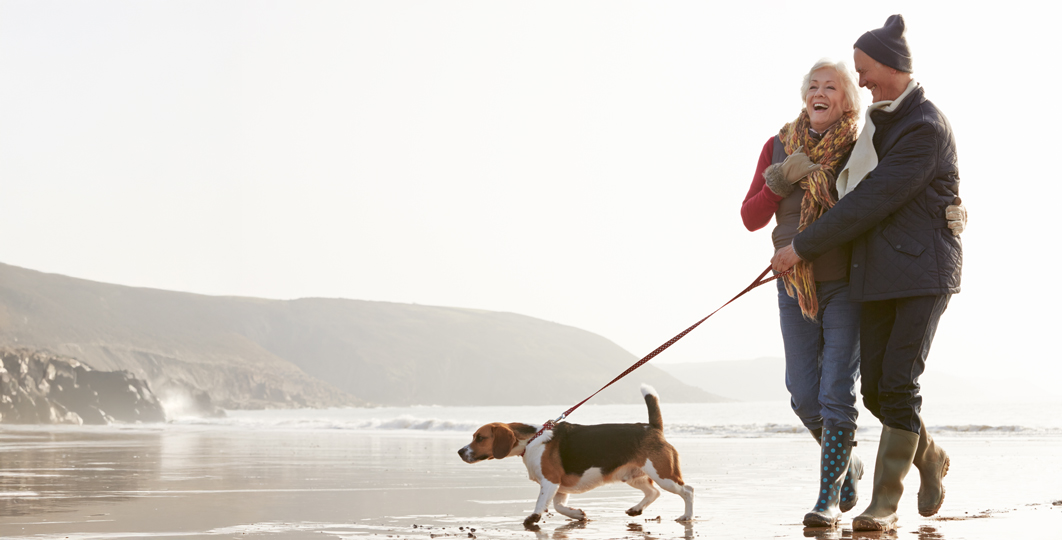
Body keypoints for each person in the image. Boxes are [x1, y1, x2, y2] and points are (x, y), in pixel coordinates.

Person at [772, 15, 961, 532]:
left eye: (864, 71)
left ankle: (883, 504)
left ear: (892, 67)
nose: (862, 81)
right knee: (875, 392)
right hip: (875, 273)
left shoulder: (923, 126)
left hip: (922, 272)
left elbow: (872, 201)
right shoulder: (879, 122)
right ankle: (932, 455)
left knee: (896, 384)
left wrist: (800, 247)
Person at [740, 59, 867, 528]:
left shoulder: (861, 146)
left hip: (847, 285)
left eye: (831, 86)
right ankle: (847, 465)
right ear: (804, 96)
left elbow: (868, 211)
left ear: (846, 100)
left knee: (836, 391)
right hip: (792, 285)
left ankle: (827, 500)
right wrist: (778, 182)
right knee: (802, 394)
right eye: (813, 85)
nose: (820, 92)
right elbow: (751, 217)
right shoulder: (777, 147)